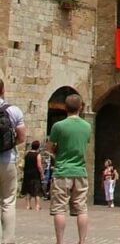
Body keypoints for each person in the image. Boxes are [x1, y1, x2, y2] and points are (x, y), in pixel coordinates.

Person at [48, 93, 91, 244]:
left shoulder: (58, 126)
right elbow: (84, 144)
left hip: (62, 171)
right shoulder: (87, 126)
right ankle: (82, 240)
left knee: (59, 209)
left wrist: (57, 152)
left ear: (66, 108)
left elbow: (50, 148)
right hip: (80, 171)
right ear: (80, 107)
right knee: (81, 208)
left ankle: (60, 241)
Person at [0, 78, 27, 244]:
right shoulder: (13, 110)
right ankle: (8, 240)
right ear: (3, 90)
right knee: (8, 201)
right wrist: (8, 145)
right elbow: (22, 137)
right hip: (7, 159)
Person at [23, 141, 45, 211]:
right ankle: (37, 205)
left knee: (28, 190)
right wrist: (42, 174)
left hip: (27, 174)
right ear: (38, 147)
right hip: (35, 174)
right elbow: (39, 166)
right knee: (37, 190)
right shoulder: (37, 155)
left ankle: (28, 205)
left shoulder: (27, 154)